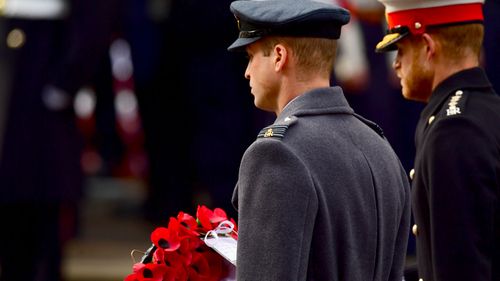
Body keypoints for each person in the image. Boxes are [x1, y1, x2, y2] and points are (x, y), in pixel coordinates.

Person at [226, 1, 411, 280]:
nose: (247, 72)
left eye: (252, 56)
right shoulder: (380, 146)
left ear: (279, 56)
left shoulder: (274, 154)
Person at [375, 0, 500, 280]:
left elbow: (462, 266)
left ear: (429, 47)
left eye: (402, 50)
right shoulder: (486, 112)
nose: (396, 64)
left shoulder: (452, 131)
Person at [0, 0, 118, 280]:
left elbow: (94, 24)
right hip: (16, 59)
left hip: (43, 59)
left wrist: (66, 80)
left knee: (41, 199)